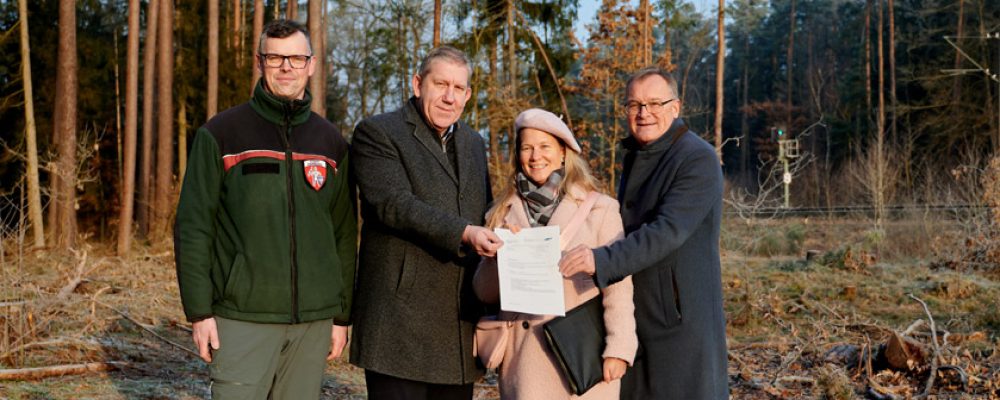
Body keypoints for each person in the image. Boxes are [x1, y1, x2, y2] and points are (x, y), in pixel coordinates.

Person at [174, 19, 356, 399]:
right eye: (276, 58)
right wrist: (199, 312)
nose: (286, 66)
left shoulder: (331, 142)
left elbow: (342, 233)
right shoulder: (221, 134)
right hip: (241, 318)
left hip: (313, 322)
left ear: (311, 64)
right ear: (260, 63)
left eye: (296, 57)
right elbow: (193, 227)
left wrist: (341, 315)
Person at [559, 67, 729, 399]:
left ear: (676, 107)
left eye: (653, 103)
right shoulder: (639, 154)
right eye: (634, 104)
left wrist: (600, 260)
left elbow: (667, 231)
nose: (643, 113)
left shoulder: (697, 159)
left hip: (680, 323)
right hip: (640, 315)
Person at [348, 46, 499, 400]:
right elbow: (393, 205)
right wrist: (464, 233)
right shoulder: (377, 132)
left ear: (468, 94)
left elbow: (486, 210)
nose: (449, 97)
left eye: (459, 88)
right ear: (418, 84)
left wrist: (511, 229)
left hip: (458, 325)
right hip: (400, 324)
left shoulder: (475, 143)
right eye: (440, 84)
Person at [472, 108, 637, 399]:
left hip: (582, 361)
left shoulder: (600, 209)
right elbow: (484, 293)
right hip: (523, 362)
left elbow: (619, 288)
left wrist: (619, 349)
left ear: (563, 153)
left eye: (545, 146)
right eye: (527, 148)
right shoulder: (501, 212)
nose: (536, 156)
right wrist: (497, 259)